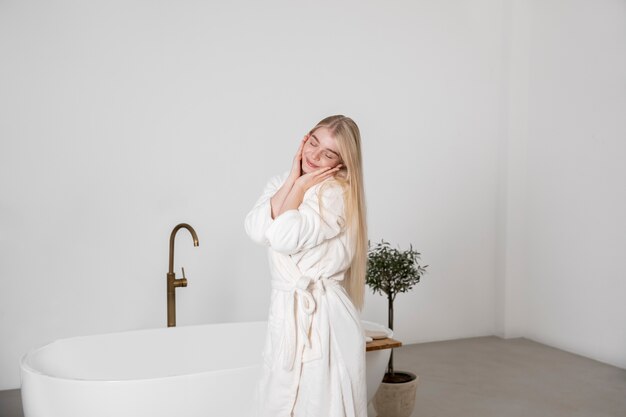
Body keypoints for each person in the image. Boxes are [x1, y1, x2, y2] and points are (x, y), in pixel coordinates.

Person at [244, 115, 369, 417]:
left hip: (323, 320)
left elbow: (283, 237)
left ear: (341, 162)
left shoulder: (337, 194)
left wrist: (298, 188)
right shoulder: (279, 183)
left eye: (328, 153)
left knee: (319, 404)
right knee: (280, 401)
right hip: (287, 313)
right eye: (312, 142)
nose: (314, 156)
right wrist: (292, 180)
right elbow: (255, 229)